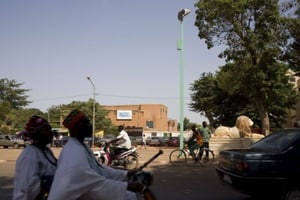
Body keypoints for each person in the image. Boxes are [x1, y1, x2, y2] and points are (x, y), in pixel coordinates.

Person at [47, 109, 143, 200]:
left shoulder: (82, 146)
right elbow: (93, 182)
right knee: (130, 197)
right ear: (77, 126)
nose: (90, 126)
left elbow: (99, 169)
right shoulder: (74, 151)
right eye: (86, 123)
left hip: (82, 194)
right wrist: (126, 186)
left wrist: (126, 173)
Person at [13, 115, 57, 200]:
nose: (51, 133)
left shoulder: (47, 150)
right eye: (47, 130)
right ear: (38, 133)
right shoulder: (30, 155)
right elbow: (29, 187)